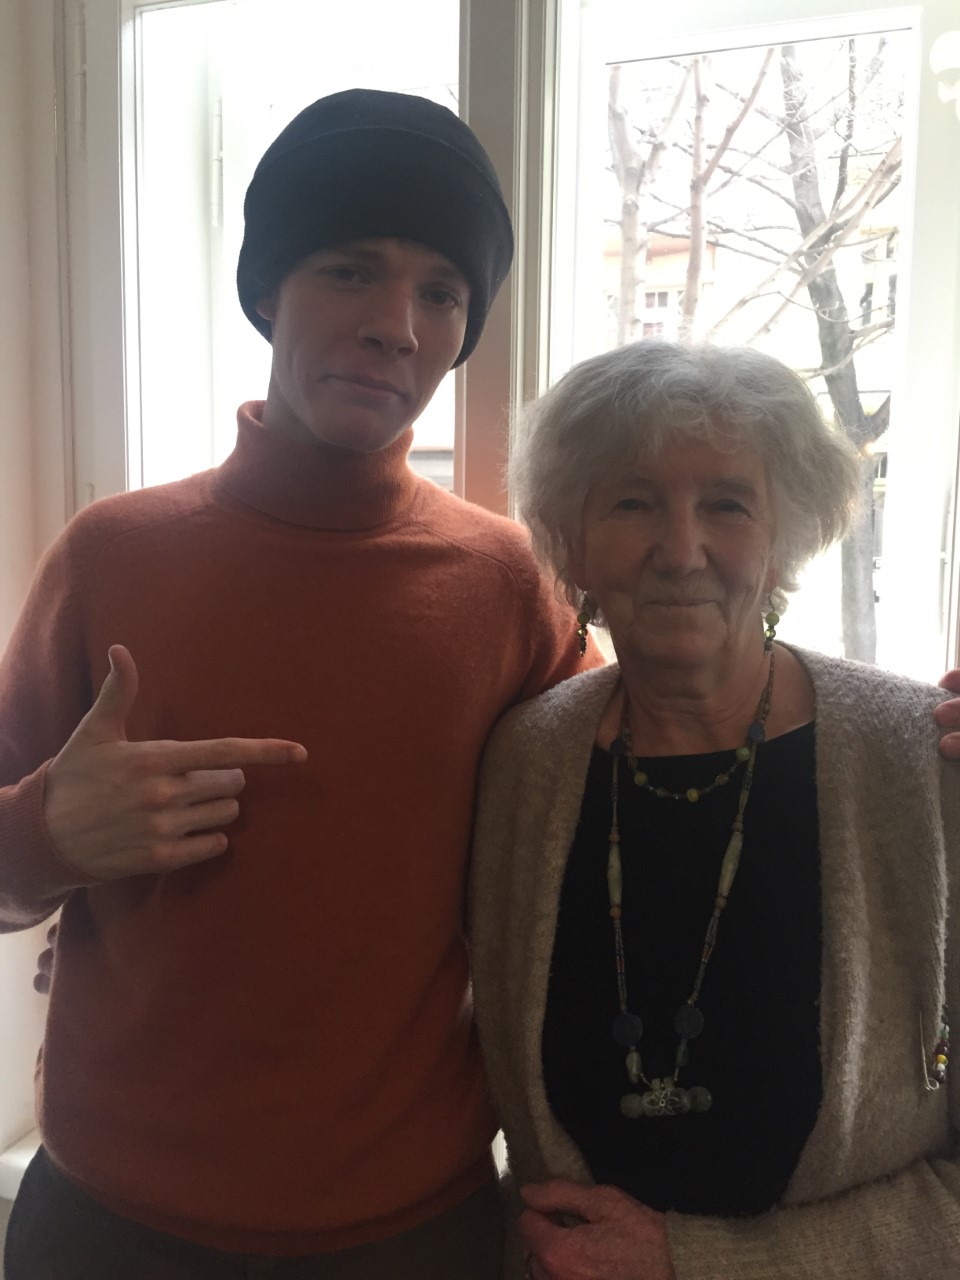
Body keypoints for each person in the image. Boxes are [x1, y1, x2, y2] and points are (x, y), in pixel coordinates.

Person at [0, 89, 599, 1279]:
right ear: (269, 287)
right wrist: (46, 834)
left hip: (412, 1235)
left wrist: (917, 732)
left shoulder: (506, 585)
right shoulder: (111, 555)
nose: (397, 326)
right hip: (108, 1229)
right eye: (350, 269)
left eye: (442, 292)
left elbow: (656, 787)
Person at [469, 339, 960, 1279]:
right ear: (573, 540)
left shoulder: (923, 761)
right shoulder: (526, 763)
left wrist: (699, 1261)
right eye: (633, 502)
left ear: (784, 539)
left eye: (728, 504)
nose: (681, 550)